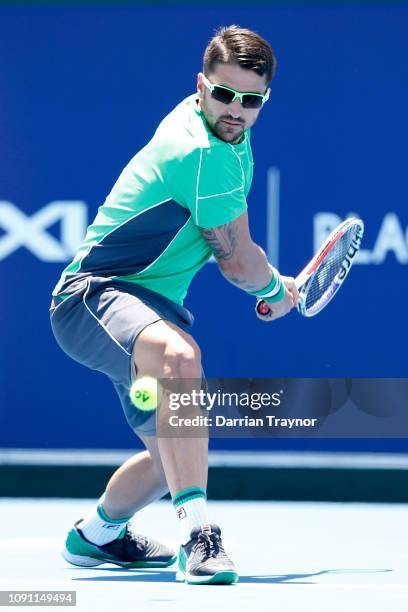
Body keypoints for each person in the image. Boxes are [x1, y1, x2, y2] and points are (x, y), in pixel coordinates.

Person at [50, 25, 298, 585]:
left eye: (250, 100)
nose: (235, 109)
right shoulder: (202, 153)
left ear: (264, 100)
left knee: (172, 456)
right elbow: (237, 263)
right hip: (92, 300)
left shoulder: (225, 132)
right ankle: (199, 540)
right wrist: (273, 292)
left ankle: (95, 534)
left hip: (142, 316)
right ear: (200, 85)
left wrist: (268, 282)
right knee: (181, 358)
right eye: (224, 94)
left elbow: (234, 248)